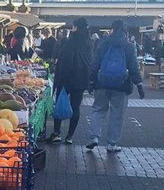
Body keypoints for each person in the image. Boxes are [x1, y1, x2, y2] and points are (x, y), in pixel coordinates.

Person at [86, 19, 144, 154]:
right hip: (121, 84)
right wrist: (139, 84)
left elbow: (95, 63)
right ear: (125, 31)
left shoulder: (103, 43)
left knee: (98, 110)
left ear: (112, 29)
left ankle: (94, 136)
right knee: (117, 114)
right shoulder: (129, 46)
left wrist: (91, 81)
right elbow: (134, 67)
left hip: (102, 82)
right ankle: (112, 144)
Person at [46, 18, 92, 144]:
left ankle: (56, 133)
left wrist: (60, 80)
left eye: (73, 26)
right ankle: (70, 136)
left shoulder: (71, 42)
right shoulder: (88, 43)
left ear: (76, 27)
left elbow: (66, 62)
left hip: (67, 80)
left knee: (60, 103)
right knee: (76, 107)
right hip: (81, 80)